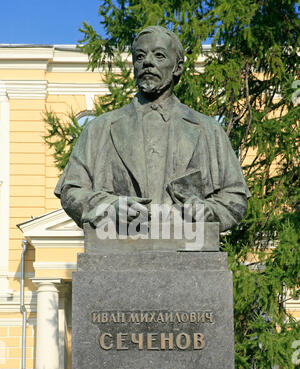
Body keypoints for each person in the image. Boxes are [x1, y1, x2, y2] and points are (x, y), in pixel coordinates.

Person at [54, 26, 250, 233]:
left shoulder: (209, 131)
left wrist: (207, 211)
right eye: (140, 56)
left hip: (188, 248)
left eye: (159, 55)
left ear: (178, 67)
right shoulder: (99, 129)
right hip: (119, 247)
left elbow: (234, 199)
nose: (147, 61)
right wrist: (109, 208)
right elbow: (72, 191)